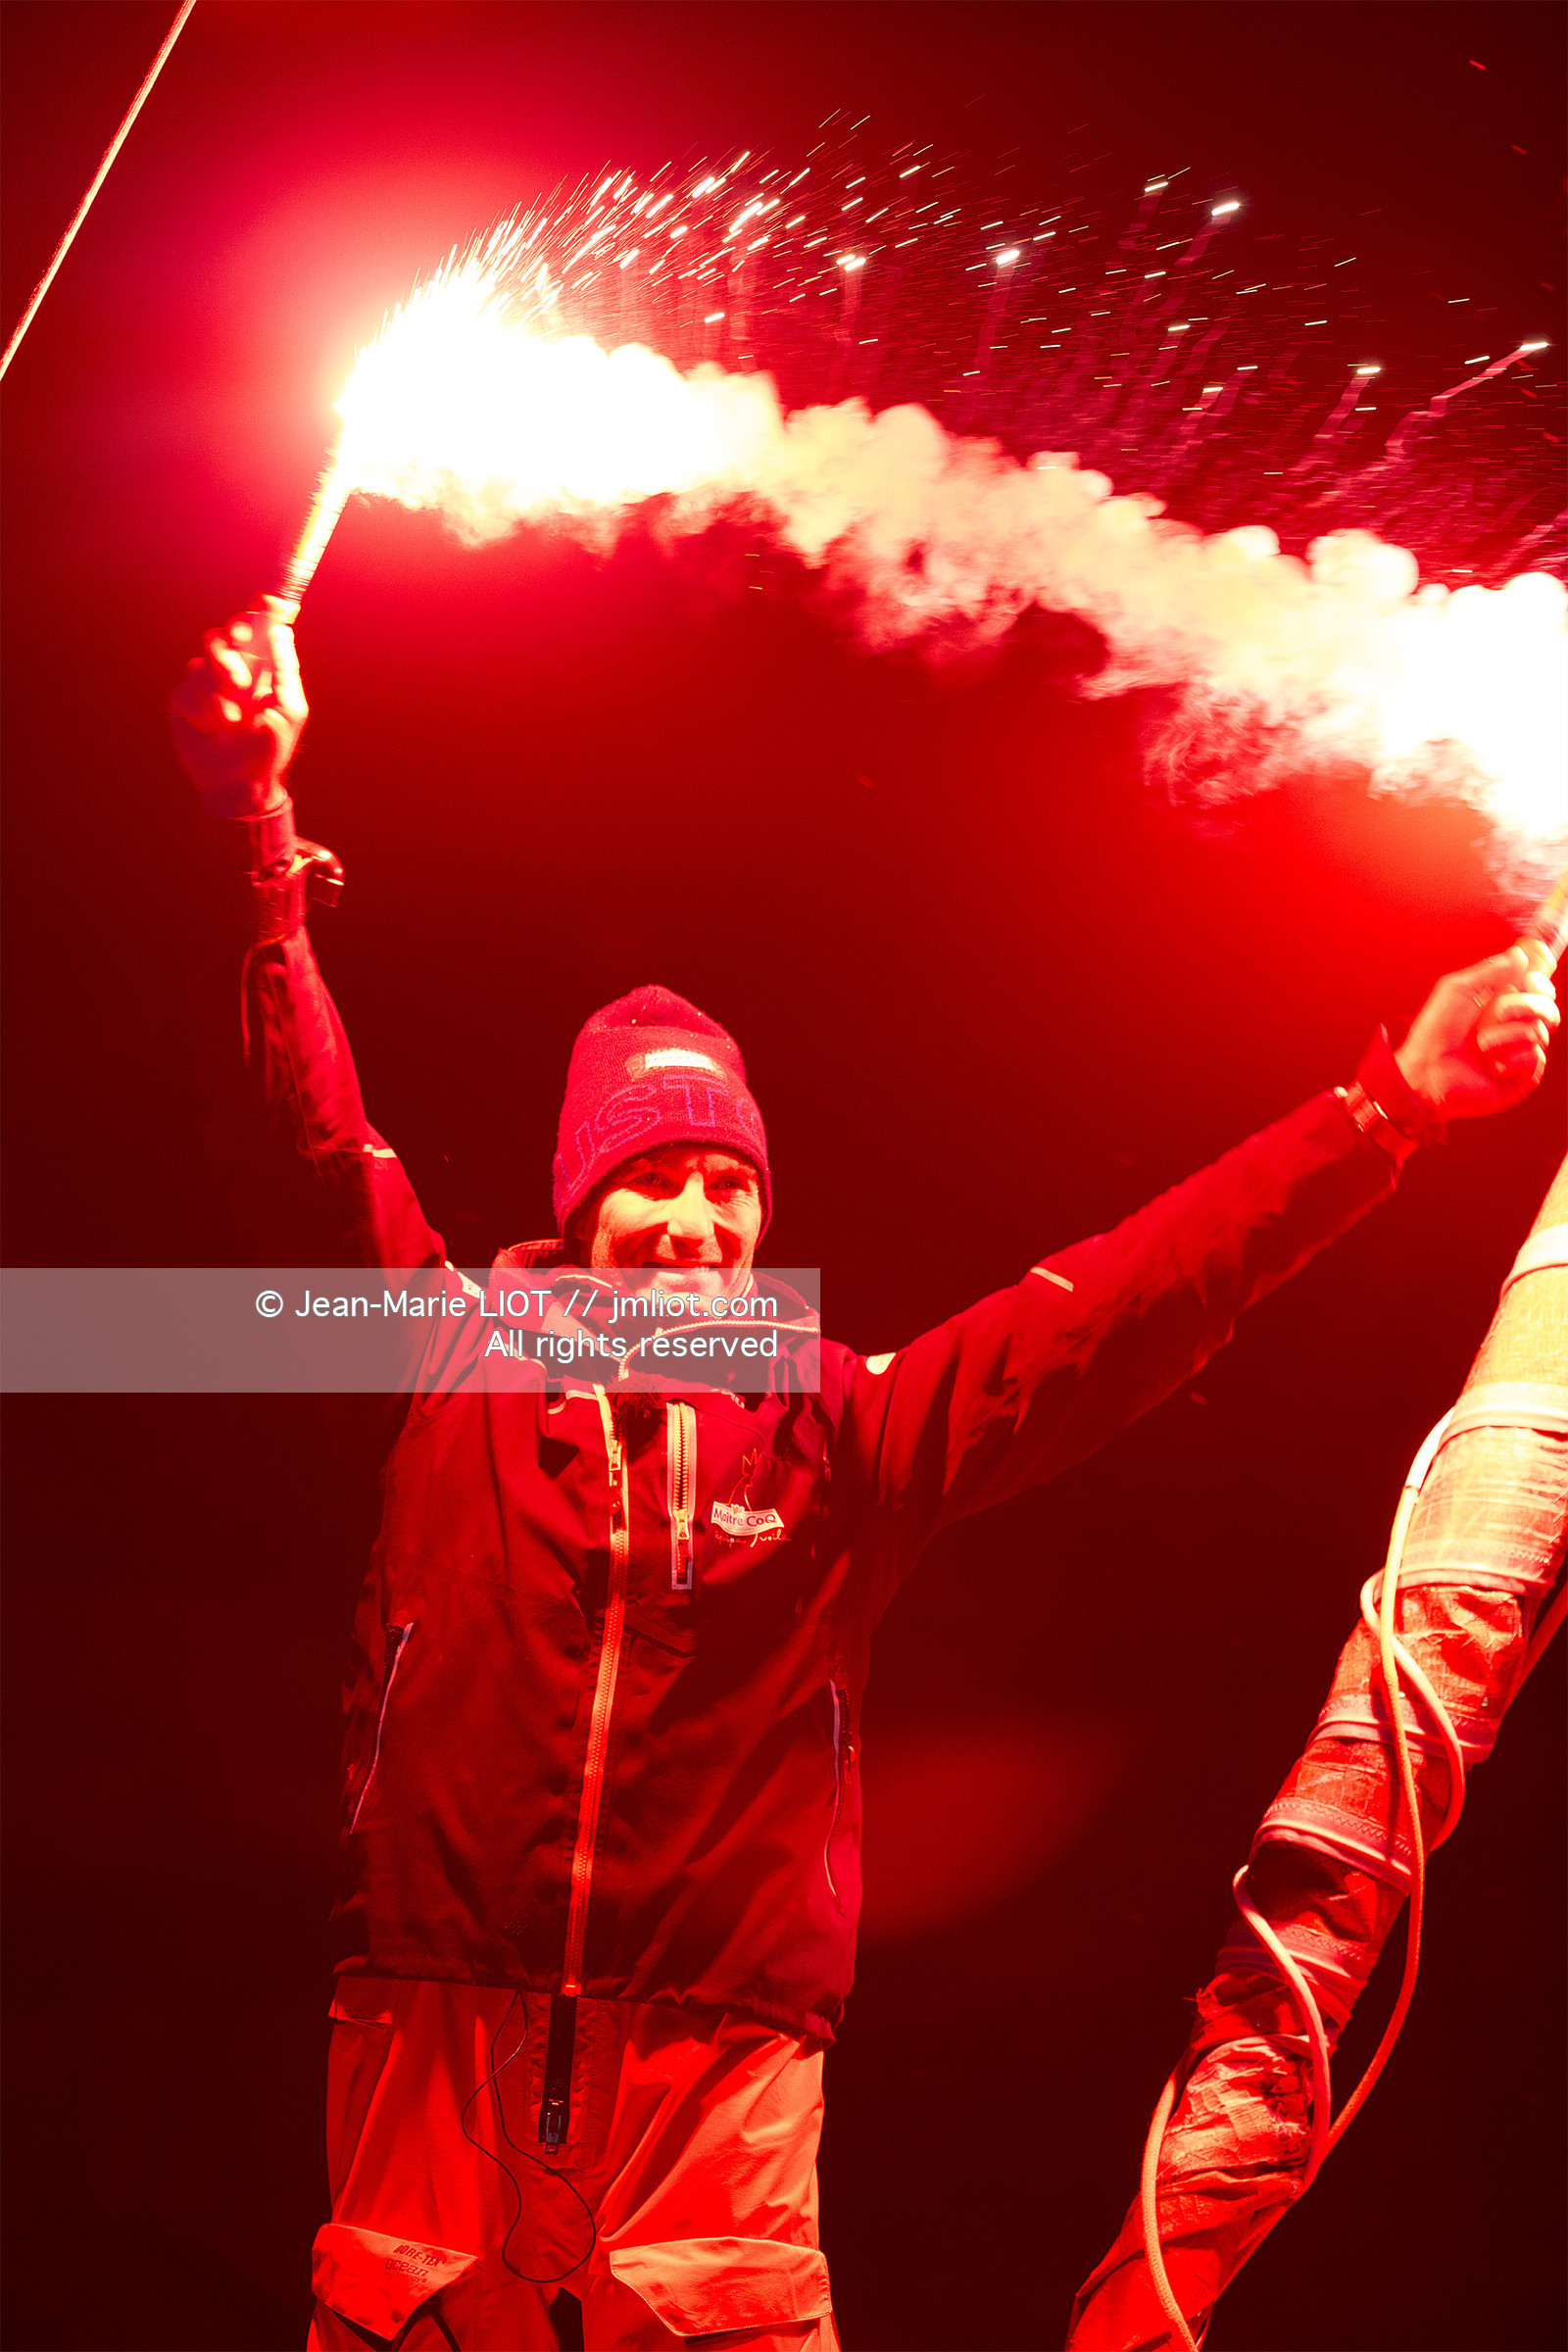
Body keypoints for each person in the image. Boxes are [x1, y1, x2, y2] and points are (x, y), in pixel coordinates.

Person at [172, 601, 1557, 2352]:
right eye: (652, 1184)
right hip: (430, 2057)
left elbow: (1115, 1311)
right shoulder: (439, 1362)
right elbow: (301, 1136)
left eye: (729, 1191)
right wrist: (251, 838)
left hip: (724, 2095)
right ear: (581, 1211)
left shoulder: (848, 1431)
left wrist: (1386, 1112)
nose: (693, 1224)